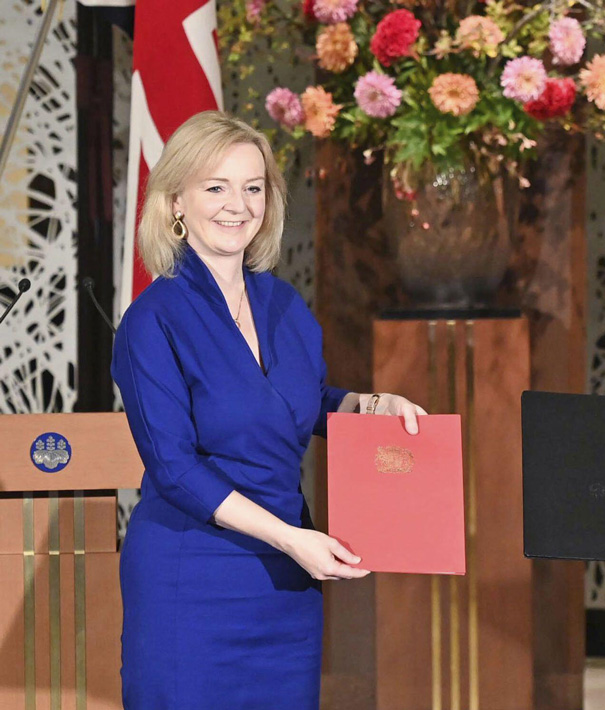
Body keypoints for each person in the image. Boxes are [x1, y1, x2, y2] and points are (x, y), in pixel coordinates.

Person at [112, 111, 426, 709]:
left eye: (252, 188)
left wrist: (368, 405)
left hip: (285, 588)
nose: (238, 205)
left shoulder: (281, 301)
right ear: (175, 201)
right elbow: (175, 469)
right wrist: (291, 538)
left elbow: (291, 406)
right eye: (216, 187)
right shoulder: (151, 321)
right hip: (193, 580)